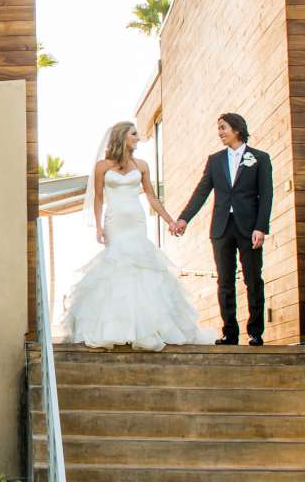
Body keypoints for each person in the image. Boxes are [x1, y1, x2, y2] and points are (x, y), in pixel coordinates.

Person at [60, 120, 208, 347]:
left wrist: (169, 220)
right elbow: (99, 198)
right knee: (117, 266)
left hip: (136, 221)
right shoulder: (102, 166)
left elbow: (151, 196)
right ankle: (115, 327)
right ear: (122, 137)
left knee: (141, 267)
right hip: (115, 222)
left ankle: (147, 328)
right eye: (134, 134)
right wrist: (98, 227)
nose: (138, 138)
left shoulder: (142, 165)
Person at [168, 112, 273, 346]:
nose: (220, 132)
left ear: (236, 129)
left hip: (249, 228)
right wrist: (185, 218)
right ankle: (230, 333)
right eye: (219, 128)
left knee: (253, 279)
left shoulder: (260, 158)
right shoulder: (215, 160)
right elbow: (202, 191)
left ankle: (255, 332)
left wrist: (261, 227)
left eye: (223, 127)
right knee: (225, 281)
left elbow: (266, 195)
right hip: (222, 228)